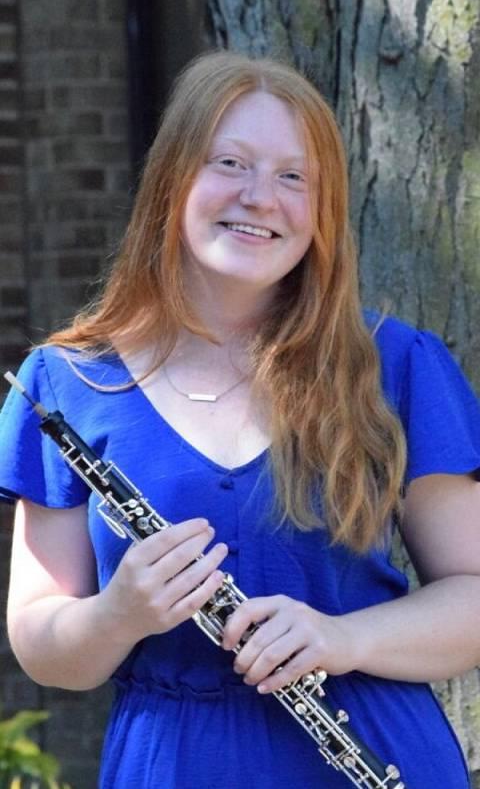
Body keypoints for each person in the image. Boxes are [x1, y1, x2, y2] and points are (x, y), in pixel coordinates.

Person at [0, 51, 480, 789]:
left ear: (321, 210)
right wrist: (119, 613)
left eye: (295, 177)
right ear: (173, 180)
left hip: (375, 753)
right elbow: (40, 642)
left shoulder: (397, 364)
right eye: (231, 162)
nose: (261, 197)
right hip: (175, 763)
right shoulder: (66, 384)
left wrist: (339, 636)